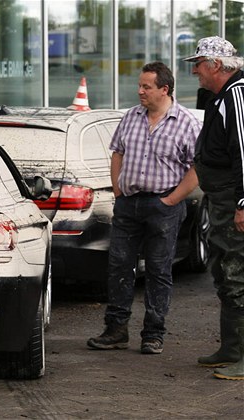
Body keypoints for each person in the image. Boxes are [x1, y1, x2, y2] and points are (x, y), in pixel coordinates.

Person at [87, 62, 201, 355]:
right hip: (129, 204)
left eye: (146, 87)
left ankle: (153, 333)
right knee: (119, 267)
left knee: (159, 270)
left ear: (164, 89)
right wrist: (118, 190)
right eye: (139, 86)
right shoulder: (131, 117)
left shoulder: (186, 122)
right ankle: (116, 330)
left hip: (164, 205)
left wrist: (171, 200)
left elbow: (197, 168)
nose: (140, 91)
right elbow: (117, 153)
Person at [183, 36, 244, 380]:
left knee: (237, 273)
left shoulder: (237, 95)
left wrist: (242, 202)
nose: (195, 71)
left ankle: (242, 354)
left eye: (199, 64)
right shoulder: (219, 97)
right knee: (223, 271)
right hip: (220, 199)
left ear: (216, 65)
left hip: (231, 199)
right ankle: (232, 348)